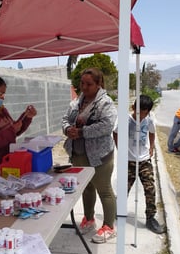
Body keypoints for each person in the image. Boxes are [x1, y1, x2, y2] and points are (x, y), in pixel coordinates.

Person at [62, 67, 117, 244]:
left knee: (104, 190)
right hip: (78, 154)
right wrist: (67, 129)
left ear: (98, 84)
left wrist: (82, 132)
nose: (84, 87)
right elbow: (65, 119)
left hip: (99, 156)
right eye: (82, 83)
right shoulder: (77, 102)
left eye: (89, 84)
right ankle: (89, 218)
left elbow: (107, 125)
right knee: (86, 188)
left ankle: (109, 226)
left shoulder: (105, 103)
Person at [113, 95, 165, 234]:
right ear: (133, 108)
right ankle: (117, 210)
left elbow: (152, 133)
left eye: (145, 112)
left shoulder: (149, 120)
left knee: (150, 188)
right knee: (124, 188)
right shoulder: (125, 120)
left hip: (144, 160)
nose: (141, 115)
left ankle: (150, 218)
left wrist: (152, 146)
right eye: (139, 111)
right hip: (128, 161)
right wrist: (120, 150)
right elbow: (115, 133)